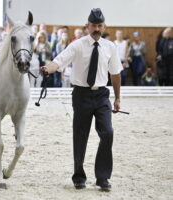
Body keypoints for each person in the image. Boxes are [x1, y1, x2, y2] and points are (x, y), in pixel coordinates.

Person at [41, 8, 122, 191]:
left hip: (102, 95)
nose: (96, 29)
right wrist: (47, 69)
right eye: (93, 25)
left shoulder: (110, 47)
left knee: (107, 133)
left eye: (100, 25)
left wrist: (117, 98)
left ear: (104, 26)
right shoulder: (77, 45)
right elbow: (59, 61)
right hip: (81, 95)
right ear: (87, 26)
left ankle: (102, 178)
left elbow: (115, 74)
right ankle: (79, 176)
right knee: (80, 136)